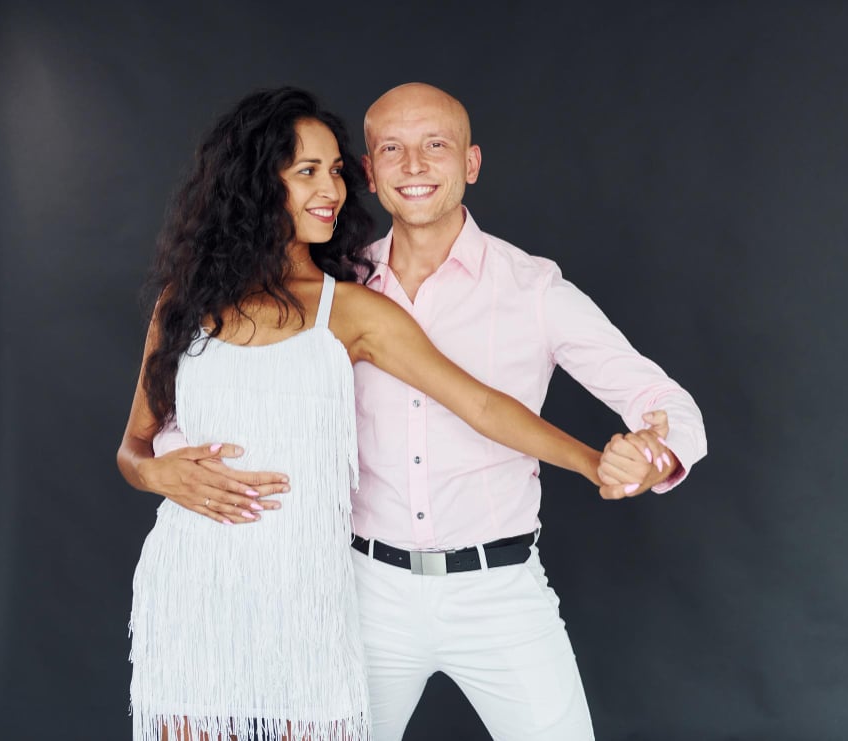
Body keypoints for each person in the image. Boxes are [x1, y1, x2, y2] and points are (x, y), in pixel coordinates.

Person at [122, 83, 707, 740]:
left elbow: (502, 405)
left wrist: (627, 459)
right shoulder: (345, 280)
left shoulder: (526, 288)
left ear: (471, 162)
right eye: (391, 150)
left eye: (436, 145)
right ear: (372, 172)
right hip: (360, 586)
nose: (415, 166)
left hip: (498, 585)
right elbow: (160, 430)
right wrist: (156, 469)